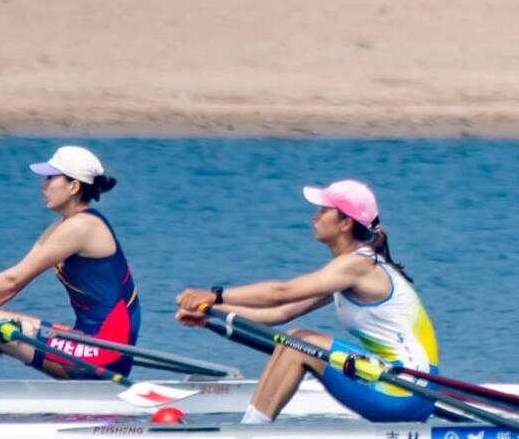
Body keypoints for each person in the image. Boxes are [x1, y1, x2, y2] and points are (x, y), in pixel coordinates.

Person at [174, 179, 439, 423]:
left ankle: (251, 431)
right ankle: (251, 426)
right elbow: (279, 313)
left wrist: (215, 294)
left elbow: (283, 291)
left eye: (323, 211)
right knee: (291, 339)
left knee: (298, 342)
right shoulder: (348, 269)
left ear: (345, 223)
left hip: (407, 390)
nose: (315, 216)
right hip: (397, 383)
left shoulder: (359, 265)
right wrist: (209, 313)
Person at [0, 145, 138, 381]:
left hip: (106, 352)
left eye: (51, 178)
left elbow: (12, 280)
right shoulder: (63, 226)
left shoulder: (82, 227)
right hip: (86, 341)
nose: (43, 186)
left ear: (74, 186)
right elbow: (14, 285)